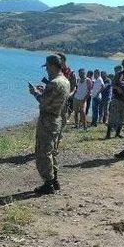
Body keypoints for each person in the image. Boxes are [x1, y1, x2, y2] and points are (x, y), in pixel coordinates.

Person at [29, 55, 71, 194]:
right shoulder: (65, 81)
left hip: (48, 120)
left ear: (53, 66)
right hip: (57, 118)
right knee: (52, 151)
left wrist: (35, 93)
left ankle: (48, 183)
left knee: (43, 152)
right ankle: (54, 180)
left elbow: (44, 101)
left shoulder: (54, 83)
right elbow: (54, 99)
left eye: (47, 66)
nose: (46, 69)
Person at [106, 59, 124, 139]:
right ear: (123, 65)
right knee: (112, 117)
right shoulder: (119, 74)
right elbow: (113, 85)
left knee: (123, 118)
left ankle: (117, 133)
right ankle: (108, 134)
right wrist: (118, 88)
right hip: (117, 99)